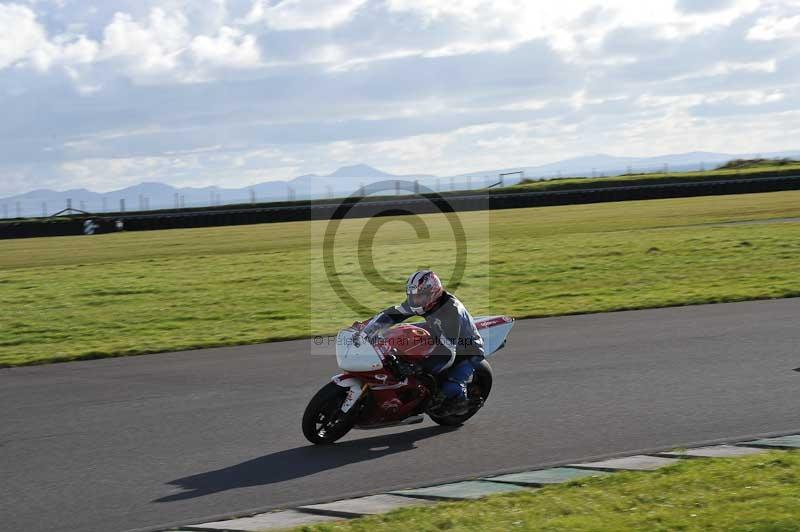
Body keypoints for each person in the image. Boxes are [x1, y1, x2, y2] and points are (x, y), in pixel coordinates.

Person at [357, 270, 484, 416]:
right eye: (412, 296)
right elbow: (392, 314)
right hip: (438, 333)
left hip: (466, 349)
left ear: (433, 293)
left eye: (419, 296)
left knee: (447, 387)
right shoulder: (422, 302)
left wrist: (416, 368)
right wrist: (368, 329)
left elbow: (447, 353)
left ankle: (461, 401)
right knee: (401, 336)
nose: (415, 301)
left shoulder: (451, 311)